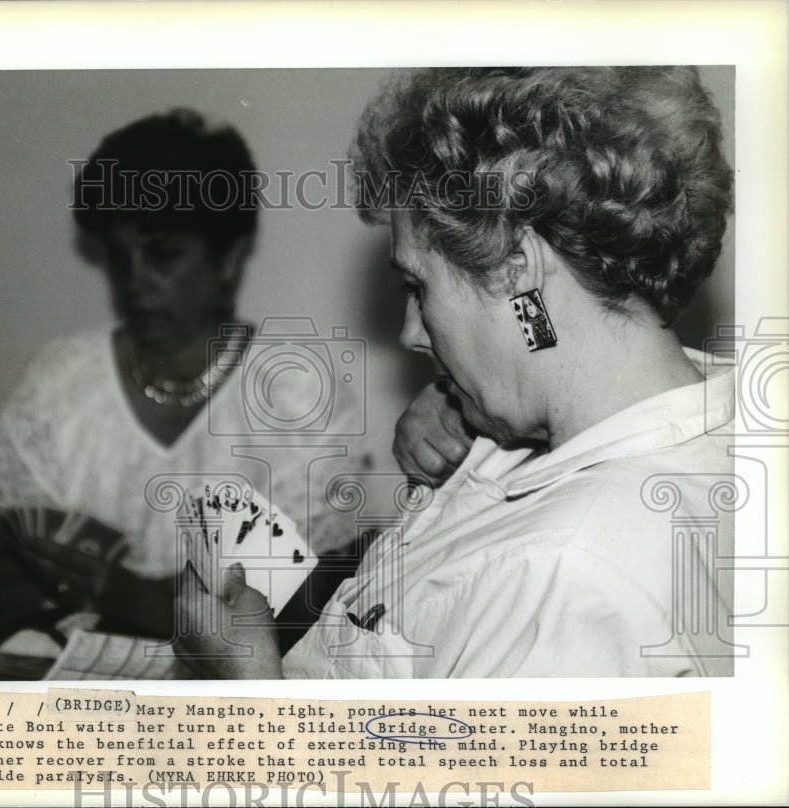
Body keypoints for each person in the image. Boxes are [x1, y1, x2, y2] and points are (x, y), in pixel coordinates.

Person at [173, 66, 737, 678]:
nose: (410, 334)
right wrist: (477, 426)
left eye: (418, 287)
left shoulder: (562, 574)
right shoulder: (707, 425)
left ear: (518, 270)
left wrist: (246, 680)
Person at [0, 109, 375, 677]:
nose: (134, 281)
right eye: (118, 254)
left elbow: (313, 613)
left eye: (162, 255)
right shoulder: (61, 382)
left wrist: (125, 597)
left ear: (227, 259)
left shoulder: (293, 390)